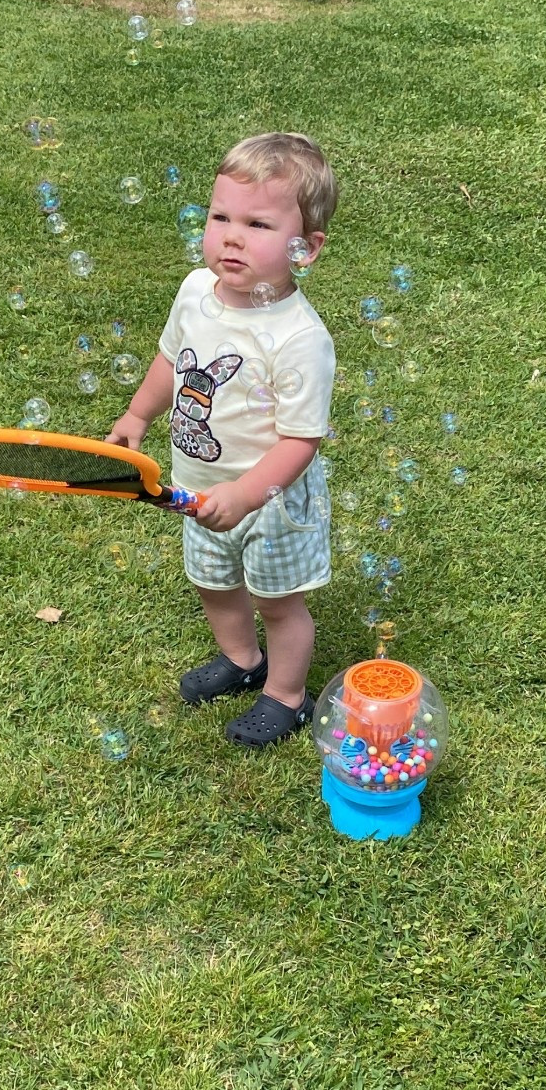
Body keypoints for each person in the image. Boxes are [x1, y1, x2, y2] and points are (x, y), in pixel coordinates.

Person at [108, 132, 337, 747]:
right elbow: (171, 361)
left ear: (306, 248)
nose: (232, 237)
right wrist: (137, 415)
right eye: (220, 217)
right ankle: (242, 659)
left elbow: (300, 441)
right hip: (198, 488)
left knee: (279, 603)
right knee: (212, 581)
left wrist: (246, 493)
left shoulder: (299, 338)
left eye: (258, 224)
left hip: (273, 501)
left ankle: (286, 696)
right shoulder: (194, 292)